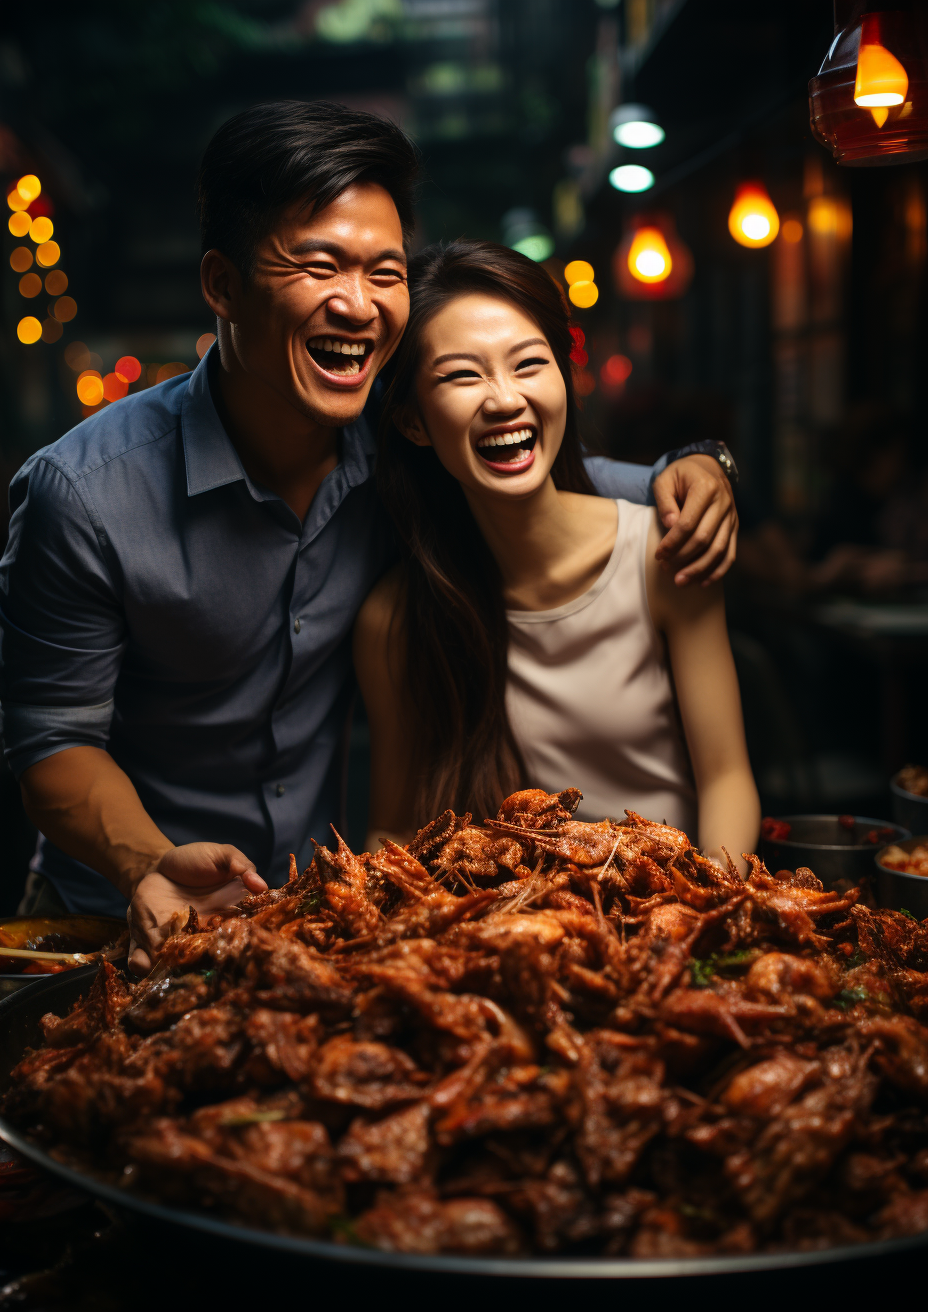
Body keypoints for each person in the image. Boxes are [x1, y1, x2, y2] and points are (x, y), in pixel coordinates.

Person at [0, 103, 738, 975]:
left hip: (309, 921)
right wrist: (147, 863)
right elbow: (52, 743)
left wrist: (700, 462)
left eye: (383, 271)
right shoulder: (81, 496)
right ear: (222, 285)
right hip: (118, 915)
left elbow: (558, 486)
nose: (357, 304)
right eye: (317, 266)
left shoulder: (403, 444)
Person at [355, 241, 759, 866]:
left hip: (676, 910)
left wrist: (711, 908)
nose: (505, 399)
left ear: (564, 379)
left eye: (528, 364)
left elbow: (727, 776)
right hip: (502, 937)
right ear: (412, 423)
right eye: (463, 374)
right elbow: (394, 828)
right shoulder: (395, 617)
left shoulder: (660, 553)